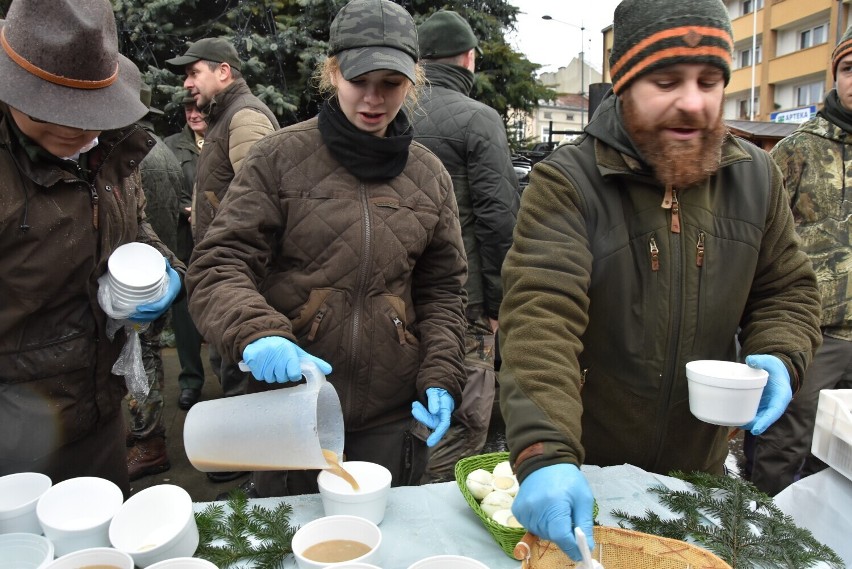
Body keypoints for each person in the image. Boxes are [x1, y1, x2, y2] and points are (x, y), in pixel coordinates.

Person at [497, 0, 822, 561]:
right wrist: (546, 452)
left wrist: (780, 351)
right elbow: (540, 316)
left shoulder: (756, 177)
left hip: (699, 477)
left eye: (710, 81)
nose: (693, 102)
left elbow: (786, 290)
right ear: (624, 82)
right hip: (585, 472)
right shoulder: (568, 183)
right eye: (667, 80)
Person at [185, 0, 468, 498]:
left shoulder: (429, 175)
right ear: (332, 72)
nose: (374, 98)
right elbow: (218, 264)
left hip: (390, 415)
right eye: (360, 80)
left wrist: (442, 371)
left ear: (414, 81)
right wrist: (255, 331)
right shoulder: (280, 158)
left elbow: (443, 289)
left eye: (391, 83)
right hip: (291, 408)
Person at [0, 0, 184, 498]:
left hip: (98, 416)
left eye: (88, 113)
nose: (75, 129)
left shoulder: (111, 149)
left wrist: (162, 269)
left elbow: (134, 223)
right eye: (50, 109)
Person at [411, 10, 519, 482]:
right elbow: (498, 217)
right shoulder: (479, 119)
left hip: (396, 297)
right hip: (463, 301)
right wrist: (498, 303)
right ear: (469, 58)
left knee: (408, 410)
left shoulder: (390, 109)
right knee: (460, 422)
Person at [744, 27, 852, 496]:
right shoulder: (798, 150)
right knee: (783, 443)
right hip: (815, 332)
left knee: (841, 459)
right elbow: (761, 245)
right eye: (849, 68)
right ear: (835, 75)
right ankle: (757, 539)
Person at [167, 37, 279, 484]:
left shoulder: (245, 117)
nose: (188, 84)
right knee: (229, 363)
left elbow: (265, 200)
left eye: (194, 73)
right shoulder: (222, 118)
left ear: (224, 72)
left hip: (245, 276)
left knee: (241, 366)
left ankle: (255, 469)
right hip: (226, 270)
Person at [124, 84, 185, 481]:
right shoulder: (159, 148)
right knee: (142, 356)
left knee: (138, 360)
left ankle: (147, 443)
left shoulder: (130, 152)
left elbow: (138, 219)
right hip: (149, 275)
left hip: (131, 279)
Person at [164, 96, 207, 411]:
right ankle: (191, 381)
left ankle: (232, 378)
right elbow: (163, 189)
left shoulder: (225, 138)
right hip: (185, 244)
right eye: (188, 110)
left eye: (198, 109)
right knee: (186, 317)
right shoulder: (170, 147)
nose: (193, 115)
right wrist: (185, 208)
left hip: (219, 240)